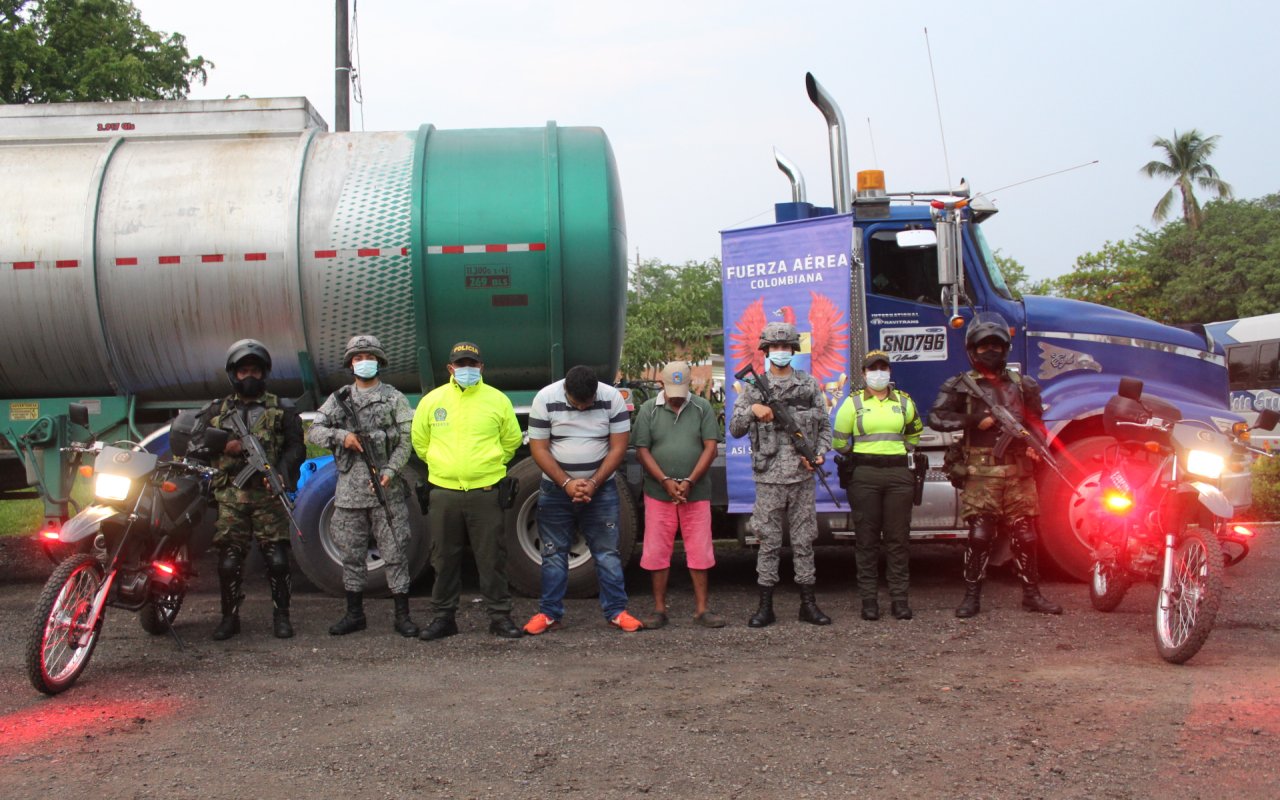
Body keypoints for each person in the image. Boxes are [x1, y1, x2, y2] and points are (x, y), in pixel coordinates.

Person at [927, 312, 1064, 618]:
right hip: (981, 471)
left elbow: (1038, 424)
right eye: (983, 346)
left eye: (996, 346)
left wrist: (1036, 448)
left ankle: (1032, 595)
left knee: (1026, 536)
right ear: (972, 350)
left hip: (1018, 471)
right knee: (979, 536)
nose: (991, 351)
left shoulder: (1024, 384)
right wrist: (976, 420)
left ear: (1006, 348)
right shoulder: (960, 384)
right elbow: (936, 418)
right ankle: (972, 596)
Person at [306, 335, 420, 638]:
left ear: (379, 361)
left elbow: (406, 440)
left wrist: (391, 470)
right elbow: (314, 431)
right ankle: (354, 614)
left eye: (369, 356)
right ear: (350, 363)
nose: (363, 362)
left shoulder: (394, 398)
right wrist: (342, 437)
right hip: (349, 493)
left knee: (395, 551)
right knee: (351, 554)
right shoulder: (339, 398)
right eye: (358, 357)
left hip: (386, 489)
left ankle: (402, 615)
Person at [410, 342, 524, 640]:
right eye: (461, 365)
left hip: (485, 492)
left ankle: (500, 618)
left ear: (481, 368)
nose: (467, 370)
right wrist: (443, 466)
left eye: (472, 364)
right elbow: (421, 443)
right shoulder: (432, 401)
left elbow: (511, 441)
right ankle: (443, 619)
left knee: (492, 558)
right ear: (450, 369)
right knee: (443, 558)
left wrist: (489, 465)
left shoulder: (497, 400)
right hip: (444, 494)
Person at [522, 365, 643, 635]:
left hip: (602, 490)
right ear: (565, 390)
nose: (580, 409)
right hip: (555, 491)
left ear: (595, 392)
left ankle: (616, 611)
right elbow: (538, 449)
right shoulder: (545, 398)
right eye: (576, 404)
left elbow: (619, 447)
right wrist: (565, 483)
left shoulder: (612, 399)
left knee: (607, 553)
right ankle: (549, 613)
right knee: (553, 553)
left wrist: (594, 482)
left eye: (586, 404)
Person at [728, 322, 834, 628]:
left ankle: (808, 605)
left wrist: (820, 453)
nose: (780, 352)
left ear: (793, 351)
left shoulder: (808, 384)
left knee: (804, 542)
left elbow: (825, 427)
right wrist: (754, 410)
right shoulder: (753, 387)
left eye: (786, 347)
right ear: (765, 351)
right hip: (769, 479)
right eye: (774, 348)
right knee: (768, 542)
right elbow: (735, 428)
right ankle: (765, 607)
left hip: (802, 476)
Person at [204, 339, 305, 640]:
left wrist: (281, 473)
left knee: (276, 559)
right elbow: (193, 443)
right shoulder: (216, 410)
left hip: (268, 495)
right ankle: (228, 618)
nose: (250, 377)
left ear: (265, 374)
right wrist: (226, 444)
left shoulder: (282, 408)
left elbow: (296, 447)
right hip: (231, 497)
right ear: (233, 374)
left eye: (256, 372)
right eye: (244, 371)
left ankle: (282, 617)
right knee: (229, 561)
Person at [631, 361, 724, 629]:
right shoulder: (649, 409)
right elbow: (642, 450)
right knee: (657, 551)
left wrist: (690, 481)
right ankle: (659, 609)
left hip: (697, 492)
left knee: (700, 549)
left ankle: (702, 609)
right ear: (661, 384)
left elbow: (711, 448)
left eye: (681, 389)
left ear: (689, 384)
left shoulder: (702, 407)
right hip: (658, 493)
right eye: (671, 389)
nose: (676, 395)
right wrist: (665, 481)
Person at [833, 351, 923, 621]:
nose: (879, 373)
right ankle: (869, 601)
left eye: (883, 368)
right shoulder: (853, 402)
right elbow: (839, 441)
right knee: (867, 541)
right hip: (865, 476)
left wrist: (900, 450)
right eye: (873, 369)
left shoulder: (905, 402)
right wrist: (863, 455)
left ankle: (899, 600)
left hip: (899, 476)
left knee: (898, 541)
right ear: (864, 374)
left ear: (890, 372)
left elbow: (914, 433)